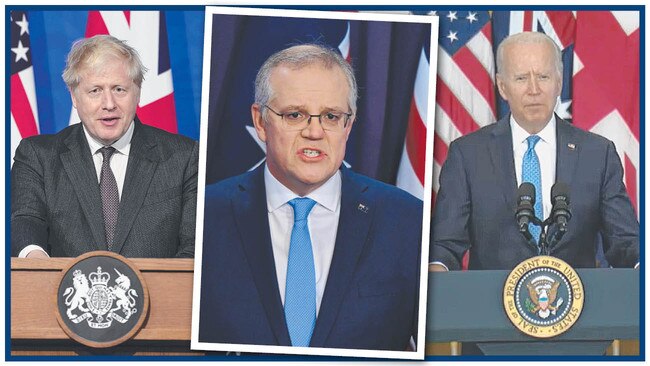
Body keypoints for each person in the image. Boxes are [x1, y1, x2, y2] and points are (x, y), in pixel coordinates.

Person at [198, 44, 422, 351]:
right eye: (295, 115)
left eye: (331, 116)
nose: (314, 132)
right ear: (261, 122)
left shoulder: (408, 221)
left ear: (348, 125)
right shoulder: (204, 216)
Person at [430, 31, 639, 271]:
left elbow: (625, 241)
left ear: (559, 83)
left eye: (543, 76)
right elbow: (445, 244)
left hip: (579, 303)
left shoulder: (598, 154)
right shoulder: (467, 155)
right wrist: (436, 276)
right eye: (521, 78)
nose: (534, 89)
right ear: (502, 86)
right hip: (489, 303)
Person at [11, 35, 198, 258]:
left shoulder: (184, 157)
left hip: (158, 292)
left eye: (119, 89)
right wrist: (37, 263)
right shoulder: (38, 156)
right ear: (74, 96)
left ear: (137, 91)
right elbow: (24, 220)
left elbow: (194, 245)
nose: (109, 104)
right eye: (95, 91)